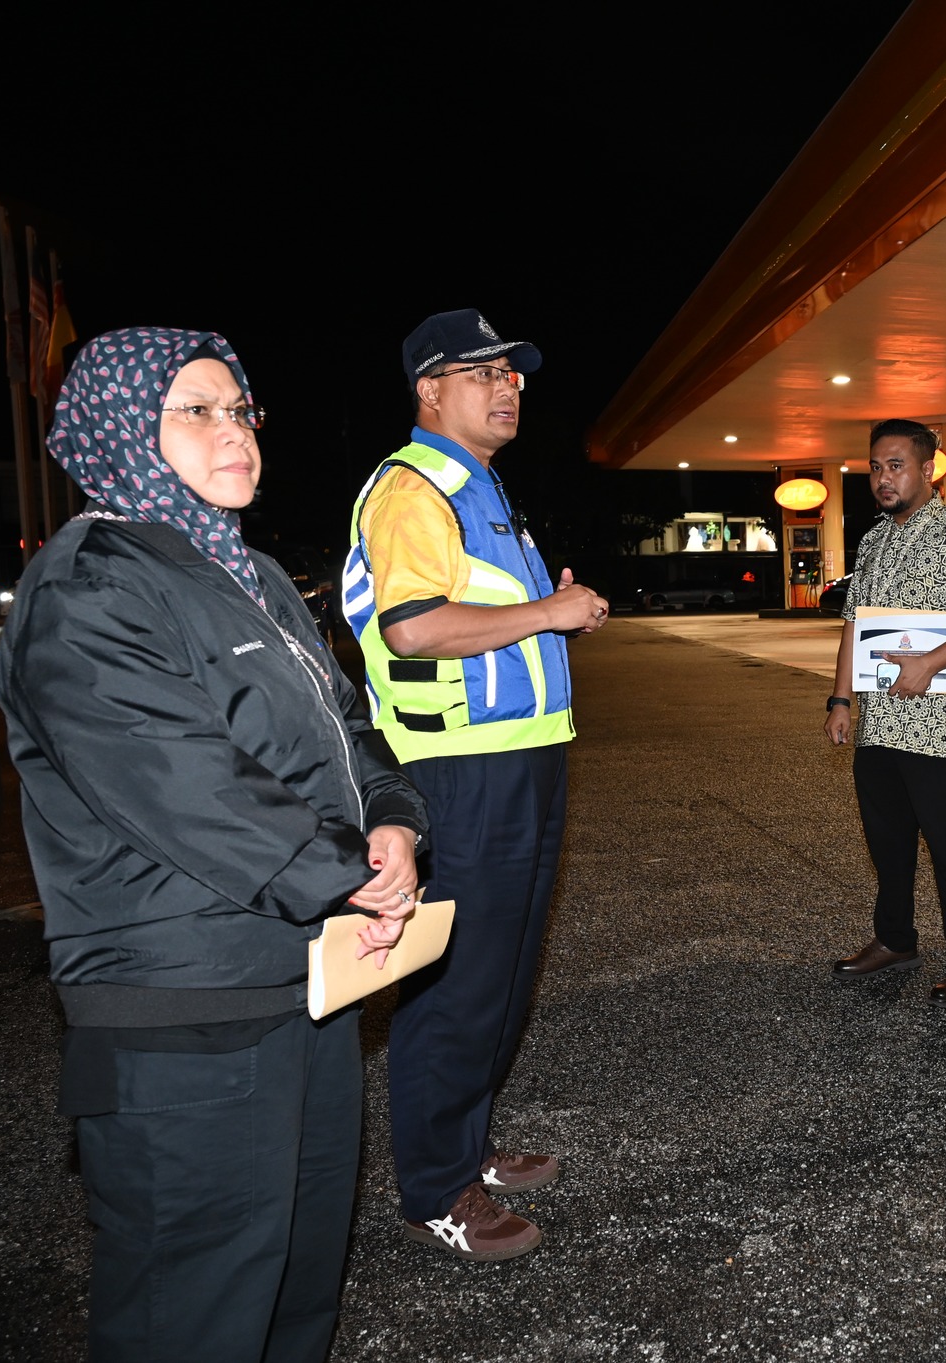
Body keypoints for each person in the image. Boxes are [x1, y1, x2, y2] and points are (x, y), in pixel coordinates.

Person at [0, 328, 427, 1362]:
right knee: (192, 1311)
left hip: (305, 990)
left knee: (295, 1286)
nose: (232, 429)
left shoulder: (250, 575)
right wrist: (347, 878)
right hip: (183, 1021)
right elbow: (192, 790)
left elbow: (347, 725)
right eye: (195, 409)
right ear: (120, 428)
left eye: (240, 409)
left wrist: (395, 820)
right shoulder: (88, 590)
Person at [344, 309, 607, 1262]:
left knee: (503, 971)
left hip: (521, 755)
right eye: (483, 372)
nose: (508, 387)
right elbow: (413, 627)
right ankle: (435, 1188)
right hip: (459, 768)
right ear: (429, 388)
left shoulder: (482, 487)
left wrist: (552, 618)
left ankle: (469, 1141)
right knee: (457, 981)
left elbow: (491, 620)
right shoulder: (414, 487)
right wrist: (551, 607)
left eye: (515, 375)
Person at [827, 419, 946, 1005]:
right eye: (876, 468)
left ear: (929, 468)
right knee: (886, 841)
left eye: (896, 466)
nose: (883, 478)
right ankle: (895, 938)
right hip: (880, 723)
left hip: (938, 725)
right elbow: (854, 626)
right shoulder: (873, 541)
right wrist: (840, 699)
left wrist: (929, 663)